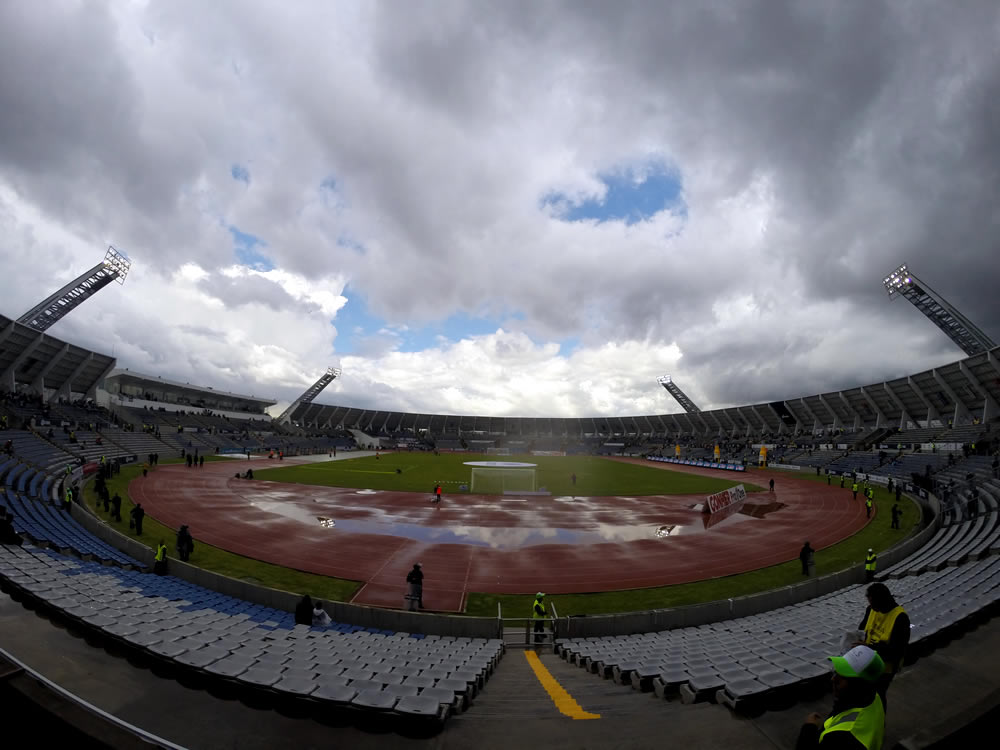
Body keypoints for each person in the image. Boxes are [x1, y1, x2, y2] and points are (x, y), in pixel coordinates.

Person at [795, 645, 885, 750]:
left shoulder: (842, 737)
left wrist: (809, 728)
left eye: (842, 677)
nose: (833, 679)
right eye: (836, 672)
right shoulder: (875, 696)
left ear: (859, 686)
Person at [857, 583, 909, 707]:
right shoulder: (871, 609)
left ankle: (878, 722)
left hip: (885, 668)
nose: (870, 606)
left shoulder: (900, 618)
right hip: (868, 661)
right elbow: (862, 627)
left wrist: (869, 648)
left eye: (873, 603)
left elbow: (897, 651)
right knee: (865, 696)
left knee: (877, 697)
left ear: (882, 600)